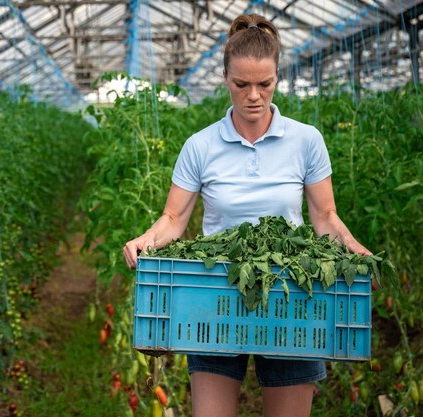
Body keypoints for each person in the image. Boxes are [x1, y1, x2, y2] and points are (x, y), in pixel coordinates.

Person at [122, 13, 372, 417]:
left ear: (278, 78)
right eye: (241, 84)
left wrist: (354, 248)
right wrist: (144, 240)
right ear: (225, 78)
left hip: (292, 294)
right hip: (215, 293)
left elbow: (325, 216)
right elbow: (173, 218)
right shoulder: (200, 146)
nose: (253, 95)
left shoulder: (306, 141)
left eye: (264, 84)